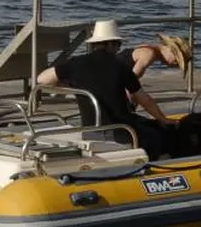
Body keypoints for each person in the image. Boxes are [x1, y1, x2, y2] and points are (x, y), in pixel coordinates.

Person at [36, 19, 172, 155]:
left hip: (89, 132)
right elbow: (145, 101)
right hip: (120, 133)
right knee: (157, 134)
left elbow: (42, 79)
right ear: (111, 44)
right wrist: (163, 119)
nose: (119, 48)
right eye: (118, 44)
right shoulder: (121, 67)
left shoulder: (76, 63)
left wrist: (70, 84)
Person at [120, 33, 193, 81]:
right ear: (171, 50)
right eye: (176, 61)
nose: (174, 64)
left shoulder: (147, 48)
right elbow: (131, 82)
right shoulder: (149, 54)